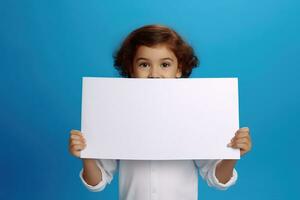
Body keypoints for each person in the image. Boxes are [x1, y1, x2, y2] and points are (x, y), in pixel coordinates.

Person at [68, 24, 252, 200]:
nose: (154, 74)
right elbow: (97, 182)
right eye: (144, 65)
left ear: (179, 69)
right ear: (131, 69)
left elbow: (217, 178)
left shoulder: (194, 114)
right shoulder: (118, 116)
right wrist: (87, 155)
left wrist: (232, 155)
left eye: (164, 65)